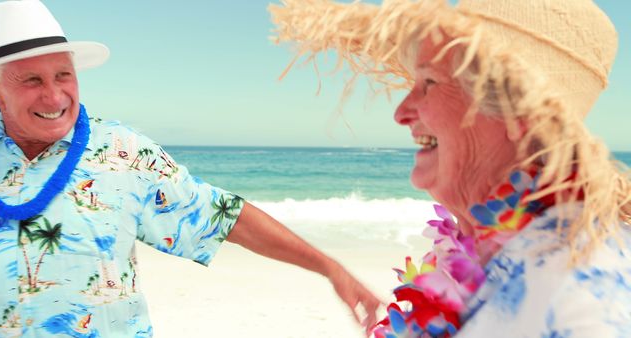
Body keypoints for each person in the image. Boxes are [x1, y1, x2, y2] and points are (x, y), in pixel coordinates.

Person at [0, 1, 381, 336]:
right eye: (32, 80)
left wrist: (330, 268)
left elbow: (224, 217)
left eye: (64, 75)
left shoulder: (123, 153)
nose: (55, 95)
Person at [270, 0, 631, 337]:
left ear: (515, 111)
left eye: (429, 83)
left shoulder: (580, 294)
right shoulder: (479, 248)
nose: (401, 112)